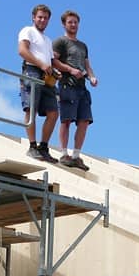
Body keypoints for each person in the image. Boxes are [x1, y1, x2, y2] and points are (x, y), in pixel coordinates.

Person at [52, 9, 97, 171]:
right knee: (66, 120)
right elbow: (54, 61)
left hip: (81, 87)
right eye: (70, 22)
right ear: (64, 24)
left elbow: (87, 65)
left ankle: (76, 156)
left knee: (84, 120)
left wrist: (92, 77)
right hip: (67, 84)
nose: (73, 25)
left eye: (75, 22)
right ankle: (64, 153)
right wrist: (70, 70)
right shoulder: (60, 42)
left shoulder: (82, 45)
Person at [17, 3, 61, 163]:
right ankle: (32, 146)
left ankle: (43, 147)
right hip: (32, 70)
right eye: (40, 17)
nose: (42, 20)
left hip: (46, 74)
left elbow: (49, 60)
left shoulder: (47, 40)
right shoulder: (27, 31)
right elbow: (22, 50)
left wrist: (54, 71)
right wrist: (41, 64)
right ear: (33, 17)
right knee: (31, 109)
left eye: (45, 18)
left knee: (53, 112)